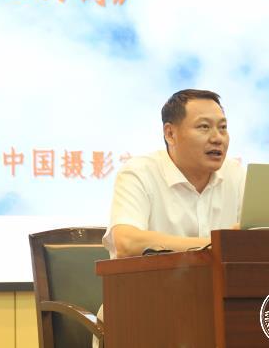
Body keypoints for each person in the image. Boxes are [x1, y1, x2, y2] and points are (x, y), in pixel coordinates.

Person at [102, 88, 246, 258]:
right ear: (170, 134)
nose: (217, 138)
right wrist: (219, 245)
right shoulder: (139, 172)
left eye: (222, 127)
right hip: (156, 276)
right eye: (204, 127)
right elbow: (127, 243)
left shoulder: (236, 175)